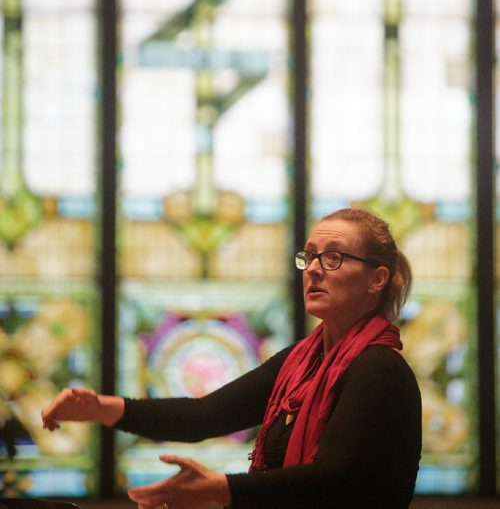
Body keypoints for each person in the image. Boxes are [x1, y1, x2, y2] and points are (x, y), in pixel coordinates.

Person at [41, 208, 422, 509]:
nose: (315, 270)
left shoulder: (379, 369)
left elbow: (331, 478)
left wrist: (219, 490)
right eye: (310, 257)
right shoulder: (303, 362)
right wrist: (103, 408)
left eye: (334, 258)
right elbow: (205, 415)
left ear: (377, 280)